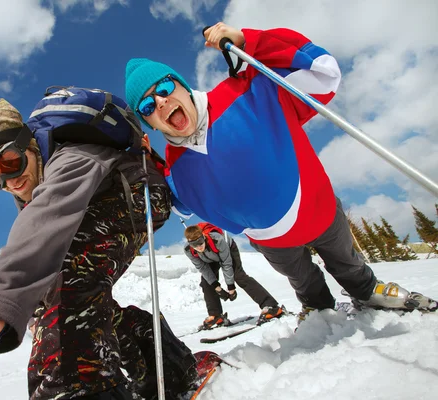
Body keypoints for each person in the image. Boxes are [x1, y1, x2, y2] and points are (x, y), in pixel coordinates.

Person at [124, 22, 437, 324]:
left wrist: (248, 42)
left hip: (318, 209)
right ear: (149, 123)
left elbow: (322, 73)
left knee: (346, 261)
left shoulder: (246, 90)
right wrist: (149, 162)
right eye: (148, 107)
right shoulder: (175, 166)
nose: (161, 102)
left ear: (182, 85)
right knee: (301, 277)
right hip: (273, 242)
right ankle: (318, 310)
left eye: (164, 87)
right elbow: (176, 204)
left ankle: (366, 290)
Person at [0, 94, 197, 400]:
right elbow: (37, 246)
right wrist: (35, 312)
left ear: (27, 143)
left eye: (9, 162)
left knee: (70, 278)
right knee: (63, 300)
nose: (8, 181)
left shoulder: (72, 155)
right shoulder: (26, 183)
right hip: (98, 204)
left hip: (137, 194)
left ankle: (80, 389)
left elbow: (44, 224)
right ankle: (165, 362)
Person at [184, 223, 284, 328]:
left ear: (203, 237)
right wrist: (217, 288)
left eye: (200, 242)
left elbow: (226, 264)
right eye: (195, 245)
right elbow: (203, 268)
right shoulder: (188, 250)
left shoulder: (217, 240)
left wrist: (231, 287)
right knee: (206, 283)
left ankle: (271, 306)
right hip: (209, 259)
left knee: (239, 277)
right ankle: (216, 315)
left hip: (228, 251)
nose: (199, 247)